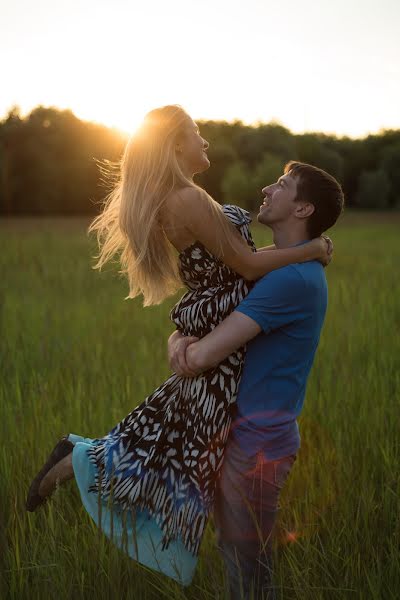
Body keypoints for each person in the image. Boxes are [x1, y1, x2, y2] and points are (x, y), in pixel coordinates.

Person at [26, 105, 331, 586]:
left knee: (164, 444)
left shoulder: (185, 197)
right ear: (173, 146)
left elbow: (243, 260)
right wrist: (313, 249)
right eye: (195, 133)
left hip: (218, 331)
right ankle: (80, 460)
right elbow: (248, 268)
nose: (205, 141)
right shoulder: (185, 199)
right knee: (173, 459)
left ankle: (77, 456)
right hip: (221, 342)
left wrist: (186, 335)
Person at [168, 160, 344, 598]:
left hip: (258, 444)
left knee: (248, 572)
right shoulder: (284, 271)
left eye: (282, 185)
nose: (267, 188)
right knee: (239, 558)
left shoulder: (290, 281)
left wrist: (181, 347)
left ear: (302, 210)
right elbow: (210, 310)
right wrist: (179, 337)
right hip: (250, 436)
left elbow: (207, 352)